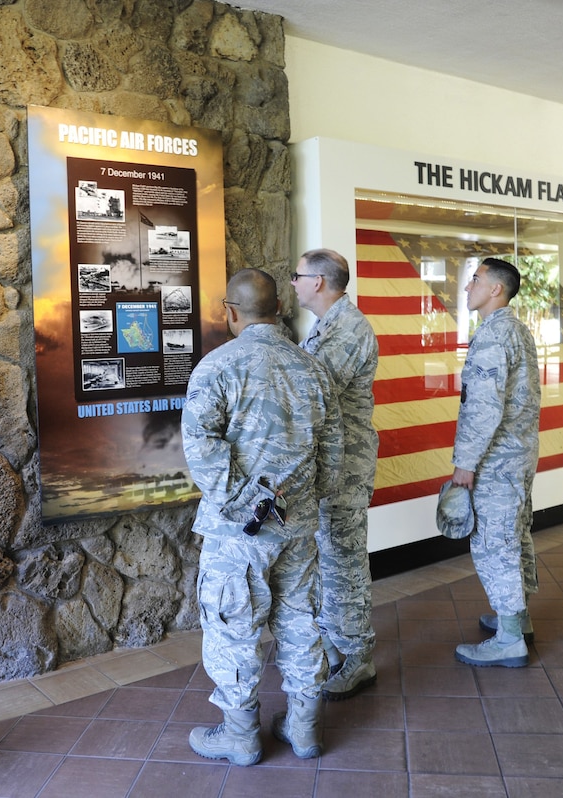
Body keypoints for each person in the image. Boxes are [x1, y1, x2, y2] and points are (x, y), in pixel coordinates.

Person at [181, 268, 343, 765]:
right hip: (298, 530)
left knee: (233, 626)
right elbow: (333, 454)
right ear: (279, 309)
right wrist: (302, 503)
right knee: (301, 620)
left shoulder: (217, 367)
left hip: (240, 534)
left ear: (230, 311)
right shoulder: (313, 369)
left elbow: (200, 446)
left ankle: (241, 735)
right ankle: (305, 728)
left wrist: (246, 503)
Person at [290, 248, 380, 700]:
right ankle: (336, 643)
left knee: (344, 563)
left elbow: (314, 395)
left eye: (297, 276)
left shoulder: (346, 329)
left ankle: (358, 657)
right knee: (330, 560)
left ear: (319, 282)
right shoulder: (328, 324)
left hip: (345, 468)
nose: (293, 283)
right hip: (331, 466)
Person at [450, 257, 541, 668]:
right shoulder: (516, 329)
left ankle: (508, 640)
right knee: (515, 536)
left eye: (476, 279)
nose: (468, 286)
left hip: (496, 460)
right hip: (517, 455)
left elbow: (484, 409)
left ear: (495, 290)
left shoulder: (493, 336)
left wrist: (465, 464)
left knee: (494, 543)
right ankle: (517, 618)